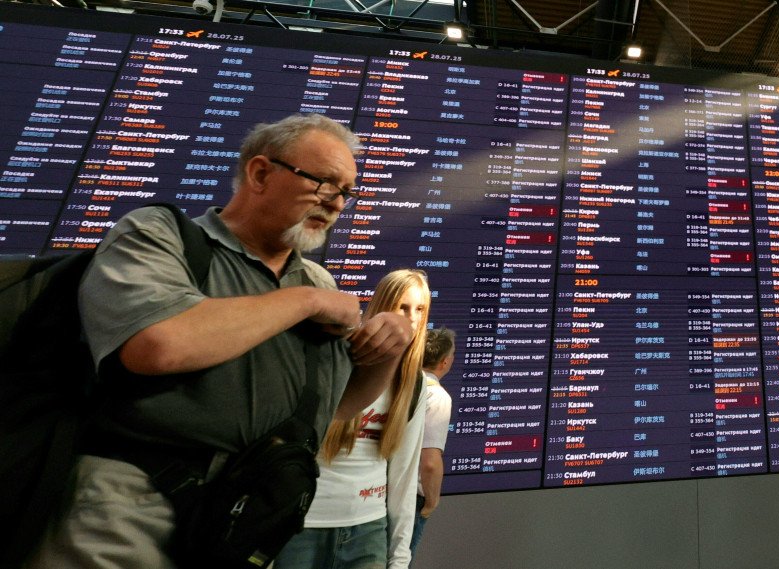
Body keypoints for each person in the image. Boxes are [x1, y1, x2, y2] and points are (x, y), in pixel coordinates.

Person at [25, 113, 413, 568]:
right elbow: (157, 343)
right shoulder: (160, 234)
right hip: (129, 508)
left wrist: (387, 354)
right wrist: (304, 301)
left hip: (245, 515)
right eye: (324, 182)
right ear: (261, 173)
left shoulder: (316, 279)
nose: (336, 203)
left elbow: (334, 409)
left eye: (346, 192)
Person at [275, 269, 431, 569]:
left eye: (420, 309)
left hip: (368, 528)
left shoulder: (414, 384)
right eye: (403, 306)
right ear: (383, 305)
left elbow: (404, 475)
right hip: (302, 523)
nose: (411, 318)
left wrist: (400, 557)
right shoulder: (337, 360)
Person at [410, 326, 456, 558]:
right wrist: (431, 503)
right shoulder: (437, 397)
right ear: (445, 362)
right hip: (412, 501)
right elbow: (430, 462)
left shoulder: (401, 385)